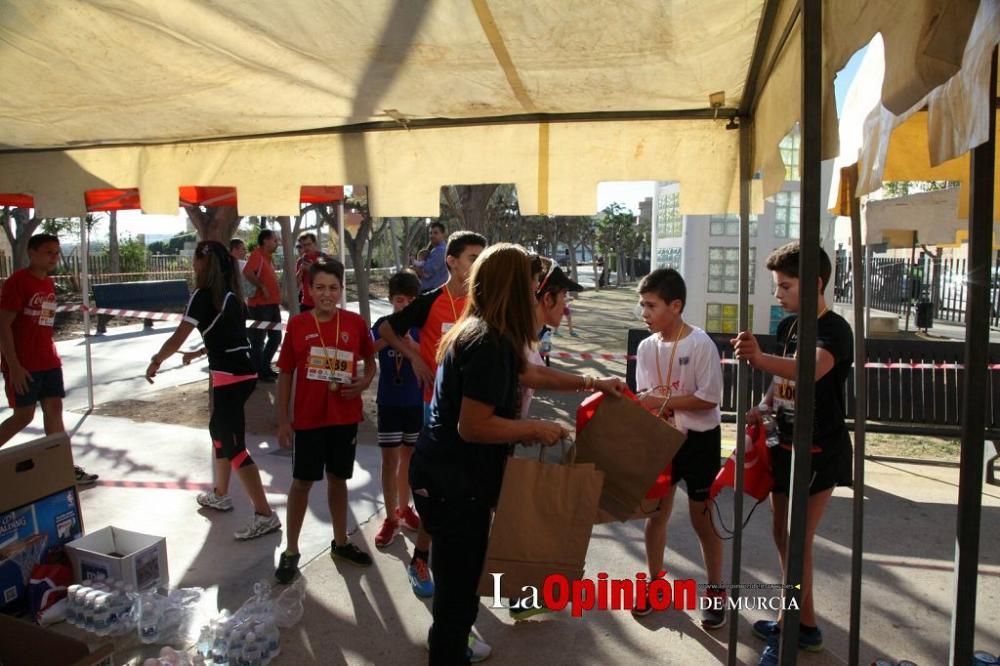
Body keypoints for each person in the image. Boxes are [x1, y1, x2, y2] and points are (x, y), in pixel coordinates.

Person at [409, 243, 623, 664]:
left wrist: (592, 383)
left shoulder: (490, 331)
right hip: (454, 485)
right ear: (512, 288)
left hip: (450, 479)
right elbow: (473, 426)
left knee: (461, 592)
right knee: (457, 603)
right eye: (529, 287)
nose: (535, 295)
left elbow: (532, 373)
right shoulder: (486, 341)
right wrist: (535, 428)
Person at [731, 242, 852, 664]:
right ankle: (807, 626)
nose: (778, 294)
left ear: (815, 284)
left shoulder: (835, 329)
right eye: (777, 285)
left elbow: (810, 369)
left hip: (820, 451)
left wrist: (760, 359)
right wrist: (763, 406)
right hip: (784, 444)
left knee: (797, 539)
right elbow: (787, 383)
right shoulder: (790, 327)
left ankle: (788, 632)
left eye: (785, 285)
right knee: (784, 535)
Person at [146, 240, 280, 540]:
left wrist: (157, 360)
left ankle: (264, 514)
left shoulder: (202, 296)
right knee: (218, 433)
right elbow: (226, 337)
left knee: (233, 445)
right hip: (240, 373)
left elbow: (178, 336)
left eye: (195, 258)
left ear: (202, 263)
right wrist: (198, 355)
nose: (192, 263)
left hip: (230, 377)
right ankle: (220, 493)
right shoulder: (230, 296)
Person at [377, 230, 486, 599]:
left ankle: (475, 572)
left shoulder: (483, 305)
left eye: (481, 259)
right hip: (434, 411)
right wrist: (415, 359)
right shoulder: (428, 302)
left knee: (471, 495)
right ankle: (420, 559)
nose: (477, 265)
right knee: (439, 491)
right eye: (472, 258)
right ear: (451, 262)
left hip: (474, 413)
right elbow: (387, 328)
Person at [273, 258, 377, 583]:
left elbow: (370, 361)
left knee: (337, 479)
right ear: (309, 290)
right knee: (302, 482)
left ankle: (341, 542)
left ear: (341, 290)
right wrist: (283, 420)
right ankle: (290, 551)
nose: (327, 294)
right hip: (307, 419)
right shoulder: (299, 325)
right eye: (320, 287)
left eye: (333, 288)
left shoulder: (355, 323)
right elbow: (286, 373)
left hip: (343, 418)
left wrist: (364, 382)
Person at [633, 268, 726, 629]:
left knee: (702, 517)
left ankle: (716, 589)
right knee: (656, 514)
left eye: (651, 305)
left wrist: (664, 400)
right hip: (661, 440)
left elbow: (709, 399)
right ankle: (656, 583)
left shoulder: (700, 343)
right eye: (641, 304)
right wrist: (654, 406)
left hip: (700, 441)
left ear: (676, 306)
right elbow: (645, 398)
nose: (644, 312)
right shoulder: (646, 346)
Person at [0, 234, 98, 486]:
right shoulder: (17, 282)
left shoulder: (49, 284)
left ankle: (62, 466)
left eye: (56, 252)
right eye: (48, 252)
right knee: (24, 416)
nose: (54, 257)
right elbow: (4, 325)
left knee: (54, 410)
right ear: (32, 253)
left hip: (49, 360)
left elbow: (44, 322)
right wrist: (14, 365)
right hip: (24, 364)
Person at [371, 271, 424, 549]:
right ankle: (391, 517)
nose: (404, 306)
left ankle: (405, 509)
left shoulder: (421, 326)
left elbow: (431, 357)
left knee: (409, 459)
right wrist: (392, 337)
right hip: (389, 403)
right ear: (391, 300)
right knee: (389, 461)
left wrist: (414, 346)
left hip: (414, 403)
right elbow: (369, 348)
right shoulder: (383, 324)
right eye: (399, 300)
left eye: (410, 301)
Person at [243, 229, 281, 382]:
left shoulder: (268, 258)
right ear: (265, 240)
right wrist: (262, 287)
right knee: (258, 340)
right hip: (259, 306)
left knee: (276, 337)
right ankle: (258, 372)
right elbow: (247, 272)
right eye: (274, 240)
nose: (276, 242)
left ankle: (264, 368)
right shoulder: (257, 255)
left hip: (272, 305)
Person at [294, 232, 329, 313]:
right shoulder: (300, 261)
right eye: (304, 245)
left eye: (309, 244)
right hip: (306, 304)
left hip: (322, 302)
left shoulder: (323, 258)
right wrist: (301, 271)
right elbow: (296, 284)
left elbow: (329, 278)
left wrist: (312, 269)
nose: (306, 247)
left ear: (315, 244)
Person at [416, 221, 448, 292]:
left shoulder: (441, 250)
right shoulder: (435, 250)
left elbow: (427, 271)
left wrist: (416, 267)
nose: (432, 235)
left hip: (432, 291)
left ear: (443, 234)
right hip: (431, 291)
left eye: (436, 233)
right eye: (430, 233)